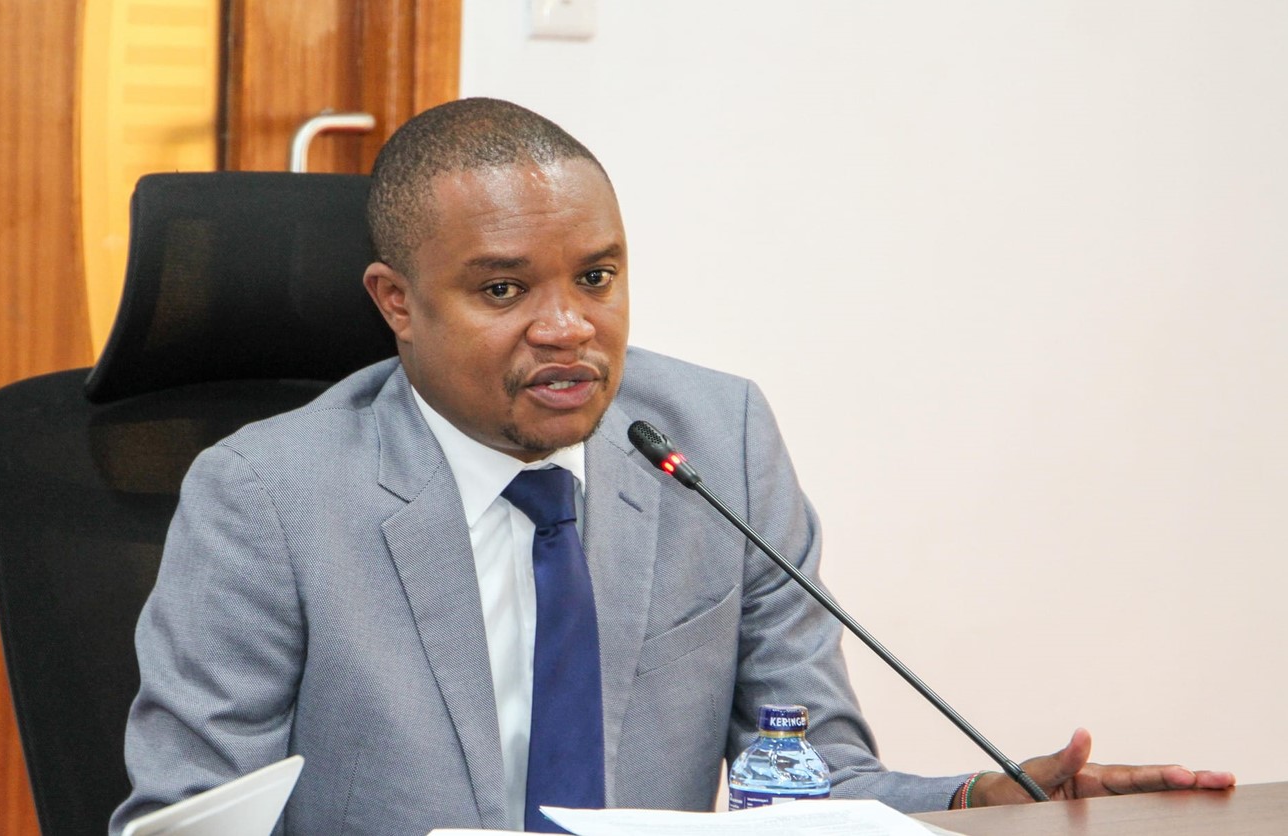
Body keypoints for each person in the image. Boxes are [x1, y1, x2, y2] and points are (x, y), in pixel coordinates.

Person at [111, 98, 1233, 835]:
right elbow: (190, 815)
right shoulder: (267, 493)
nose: (570, 327)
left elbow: (808, 782)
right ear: (396, 303)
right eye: (505, 290)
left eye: (596, 276)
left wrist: (999, 798)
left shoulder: (715, 439)